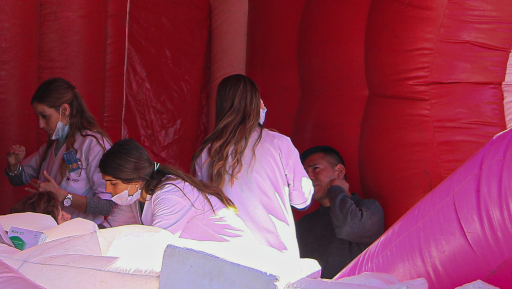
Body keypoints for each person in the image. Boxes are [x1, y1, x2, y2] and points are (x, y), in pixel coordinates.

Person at [192, 74, 313, 257]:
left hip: (227, 255)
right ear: (254, 103)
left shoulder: (207, 152)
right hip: (276, 256)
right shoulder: (278, 143)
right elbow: (301, 199)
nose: (264, 105)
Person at [4, 78, 140, 227]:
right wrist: (13, 165)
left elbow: (110, 205)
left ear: (65, 110)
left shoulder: (92, 144)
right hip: (53, 232)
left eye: (45, 116)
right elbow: (19, 179)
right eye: (38, 117)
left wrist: (62, 195)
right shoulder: (53, 145)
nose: (41, 124)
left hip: (80, 233)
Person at [99, 139, 251, 242]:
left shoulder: (170, 195)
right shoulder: (134, 197)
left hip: (237, 264)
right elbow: (106, 232)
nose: (107, 189)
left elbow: (157, 247)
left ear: (136, 180)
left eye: (113, 183)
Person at [296, 146, 384, 278]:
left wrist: (337, 190)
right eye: (304, 172)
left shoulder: (368, 208)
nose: (309, 176)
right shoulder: (303, 223)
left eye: (315, 168)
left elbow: (348, 228)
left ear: (339, 171)